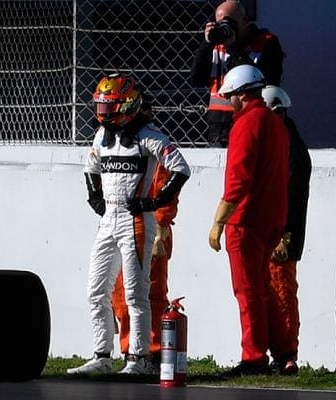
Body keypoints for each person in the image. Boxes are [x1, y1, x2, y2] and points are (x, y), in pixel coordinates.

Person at [67, 74, 190, 375]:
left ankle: (139, 358)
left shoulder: (149, 136)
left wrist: (154, 202)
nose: (104, 114)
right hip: (108, 219)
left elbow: (181, 168)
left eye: (110, 108)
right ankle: (102, 355)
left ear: (129, 104)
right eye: (102, 107)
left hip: (136, 221)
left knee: (136, 293)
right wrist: (94, 197)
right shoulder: (100, 136)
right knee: (96, 290)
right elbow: (90, 167)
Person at [207, 65, 289, 376]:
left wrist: (218, 222)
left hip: (246, 220)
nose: (228, 105)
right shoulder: (275, 123)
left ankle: (254, 357)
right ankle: (284, 352)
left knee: (247, 290)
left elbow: (238, 180)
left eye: (229, 98)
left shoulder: (247, 123)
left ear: (242, 95)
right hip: (272, 218)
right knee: (263, 287)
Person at [261, 85, 311, 376]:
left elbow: (291, 195)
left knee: (281, 291)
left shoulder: (290, 146)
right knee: (271, 291)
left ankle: (286, 354)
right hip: (273, 230)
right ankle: (278, 351)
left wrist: (284, 235)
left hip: (282, 234)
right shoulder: (282, 140)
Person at [110, 162, 178, 370]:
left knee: (151, 294)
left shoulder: (154, 146)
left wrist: (161, 228)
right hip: (123, 228)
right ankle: (132, 351)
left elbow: (167, 186)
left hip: (150, 229)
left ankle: (154, 354)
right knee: (122, 296)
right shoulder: (121, 148)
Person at [190, 0, 285, 147]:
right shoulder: (215, 44)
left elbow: (267, 82)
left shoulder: (266, 43)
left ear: (245, 21)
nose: (225, 27)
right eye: (220, 23)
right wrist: (206, 44)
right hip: (219, 127)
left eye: (230, 22)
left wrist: (233, 48)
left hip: (251, 122)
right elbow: (196, 79)